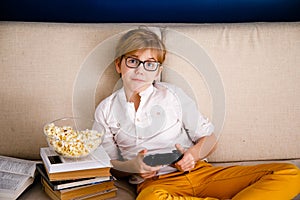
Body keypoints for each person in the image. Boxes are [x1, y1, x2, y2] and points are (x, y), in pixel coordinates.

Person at [94, 27, 300, 200]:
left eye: (149, 64)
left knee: (290, 174)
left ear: (157, 71)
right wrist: (132, 166)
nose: (140, 70)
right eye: (133, 61)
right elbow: (110, 166)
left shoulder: (172, 95)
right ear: (119, 65)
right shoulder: (106, 110)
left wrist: (193, 154)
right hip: (156, 186)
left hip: (201, 174)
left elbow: (209, 139)